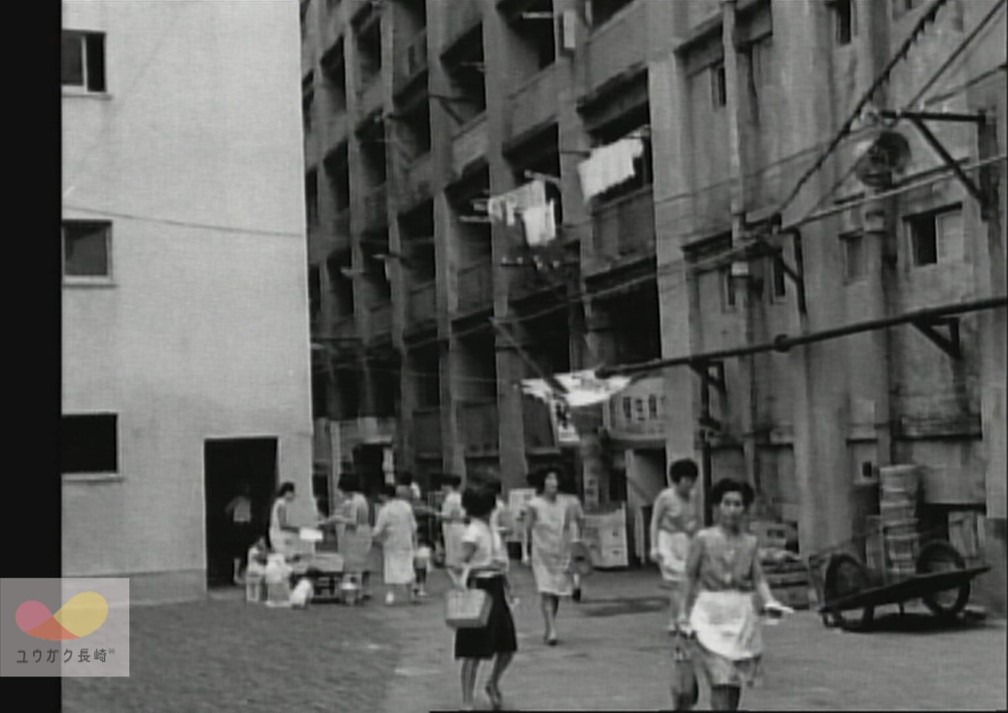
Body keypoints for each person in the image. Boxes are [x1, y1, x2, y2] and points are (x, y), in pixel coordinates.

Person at [679, 478, 789, 712]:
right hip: (709, 614)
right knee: (719, 678)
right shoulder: (703, 539)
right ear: (717, 507)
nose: (732, 509)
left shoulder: (750, 543)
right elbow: (689, 577)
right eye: (726, 503)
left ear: (745, 508)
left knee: (734, 680)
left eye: (737, 504)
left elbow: (757, 577)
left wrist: (769, 600)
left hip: (741, 615)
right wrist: (681, 614)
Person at [450, 486, 518, 711]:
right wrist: (484, 567)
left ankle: (492, 682)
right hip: (480, 587)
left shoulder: (492, 530)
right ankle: (467, 699)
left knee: (507, 645)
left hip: (497, 585)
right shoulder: (473, 533)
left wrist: (508, 585)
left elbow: (500, 560)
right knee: (473, 649)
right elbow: (457, 564)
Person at [523, 467, 576, 645]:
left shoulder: (566, 504)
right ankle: (552, 630)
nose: (553, 482)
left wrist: (573, 550)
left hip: (561, 552)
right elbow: (527, 529)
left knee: (556, 592)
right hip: (541, 553)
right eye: (549, 478)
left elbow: (568, 527)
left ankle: (549, 625)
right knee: (546, 590)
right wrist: (524, 552)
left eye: (555, 478)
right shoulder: (534, 504)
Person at [650, 458, 700, 631]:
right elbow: (655, 522)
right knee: (676, 580)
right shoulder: (665, 497)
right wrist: (654, 547)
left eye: (692, 481)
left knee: (687, 581)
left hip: (685, 540)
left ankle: (677, 618)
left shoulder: (693, 496)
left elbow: (694, 519)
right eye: (685, 481)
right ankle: (681, 618)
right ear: (677, 481)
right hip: (667, 539)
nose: (689, 485)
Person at [373, 482, 419, 605]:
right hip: (406, 541)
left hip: (391, 542)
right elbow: (414, 526)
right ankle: (411, 594)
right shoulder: (406, 506)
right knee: (408, 567)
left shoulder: (385, 510)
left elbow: (378, 528)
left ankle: (390, 594)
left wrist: (374, 536)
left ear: (384, 496)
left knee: (391, 568)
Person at [333, 473, 375, 601]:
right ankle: (366, 589)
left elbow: (352, 520)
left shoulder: (354, 501)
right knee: (364, 562)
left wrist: (337, 519)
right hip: (364, 531)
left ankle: (356, 590)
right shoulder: (361, 499)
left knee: (354, 563)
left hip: (355, 533)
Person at [559, 480, 587, 602]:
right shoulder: (574, 500)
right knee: (575, 560)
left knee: (562, 560)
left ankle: (565, 589)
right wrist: (581, 533)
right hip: (574, 529)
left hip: (559, 531)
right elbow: (581, 518)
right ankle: (577, 585)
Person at [224, 483, 254, 585]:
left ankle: (242, 574)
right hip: (238, 525)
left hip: (246, 525)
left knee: (245, 550)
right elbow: (227, 509)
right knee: (237, 551)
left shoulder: (249, 501)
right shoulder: (238, 499)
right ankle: (235, 575)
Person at [440, 474, 467, 570]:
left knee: (452, 550)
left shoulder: (450, 498)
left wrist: (436, 514)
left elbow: (447, 515)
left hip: (452, 526)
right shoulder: (460, 497)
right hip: (461, 525)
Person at [268, 482, 300, 558]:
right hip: (279, 536)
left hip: (275, 535)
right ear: (287, 492)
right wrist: (297, 529)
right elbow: (282, 525)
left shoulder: (277, 502)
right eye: (292, 493)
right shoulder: (282, 504)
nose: (293, 496)